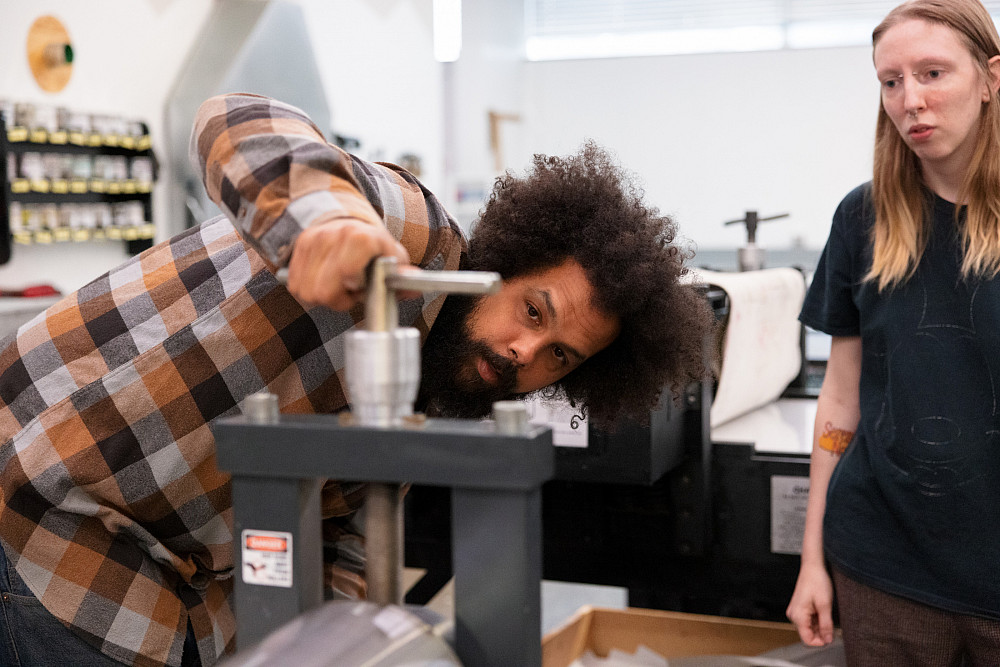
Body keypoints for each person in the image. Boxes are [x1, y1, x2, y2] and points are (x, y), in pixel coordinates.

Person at [0, 92, 714, 667]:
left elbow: (350, 541)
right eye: (533, 308)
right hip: (44, 514)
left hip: (161, 583)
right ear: (503, 260)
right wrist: (328, 218)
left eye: (561, 356)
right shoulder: (410, 236)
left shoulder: (439, 386)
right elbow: (238, 118)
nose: (528, 351)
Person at [786, 1, 1000, 663]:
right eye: (891, 81)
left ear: (992, 77)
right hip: (884, 569)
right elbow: (840, 399)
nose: (911, 100)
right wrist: (813, 558)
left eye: (933, 73)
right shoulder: (862, 218)